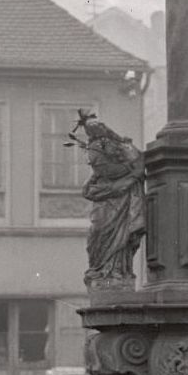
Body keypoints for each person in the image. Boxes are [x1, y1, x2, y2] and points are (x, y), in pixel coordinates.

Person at [73, 111, 145, 290]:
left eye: (99, 124)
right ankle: (101, 270)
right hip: (105, 201)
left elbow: (137, 160)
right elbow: (101, 176)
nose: (98, 127)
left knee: (121, 236)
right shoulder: (95, 151)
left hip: (121, 200)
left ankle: (116, 271)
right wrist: (129, 171)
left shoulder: (120, 145)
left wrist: (129, 167)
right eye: (92, 126)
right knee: (98, 233)